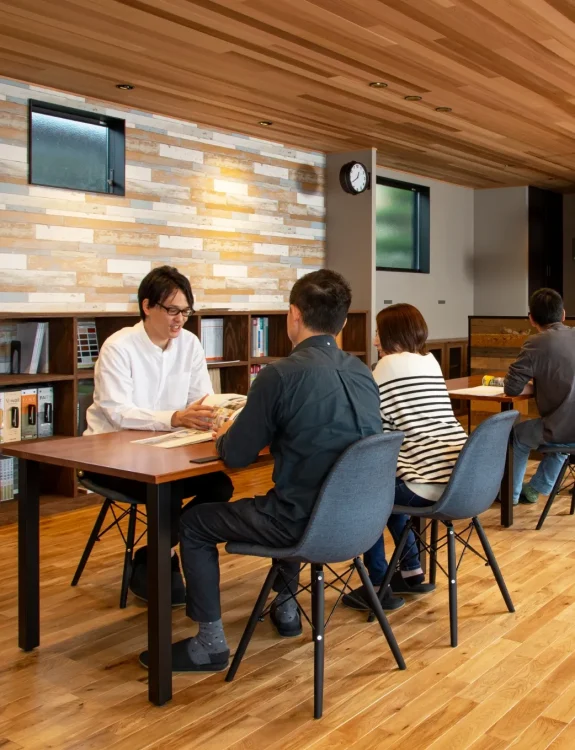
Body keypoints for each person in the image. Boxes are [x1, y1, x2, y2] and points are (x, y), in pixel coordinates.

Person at [138, 269, 382, 673]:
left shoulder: (280, 375)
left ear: (294, 315)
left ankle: (209, 644)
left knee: (196, 523)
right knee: (299, 491)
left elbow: (235, 456)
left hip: (301, 523)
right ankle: (285, 605)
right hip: (362, 521)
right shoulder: (362, 372)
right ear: (342, 322)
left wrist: (226, 432)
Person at [83, 266, 234, 605]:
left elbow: (201, 400)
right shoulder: (119, 347)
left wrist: (218, 415)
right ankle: (162, 560)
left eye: (185, 311)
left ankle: (154, 553)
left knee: (219, 486)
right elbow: (117, 412)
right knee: (166, 490)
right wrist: (175, 417)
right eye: (172, 310)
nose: (179, 320)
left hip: (168, 450)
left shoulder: (190, 344)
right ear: (147, 306)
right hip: (112, 455)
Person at [344, 303, 468, 612]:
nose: (375, 340)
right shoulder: (431, 362)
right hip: (459, 480)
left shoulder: (386, 368)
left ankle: (376, 583)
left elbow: (368, 424)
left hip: (425, 483)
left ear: (392, 335)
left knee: (367, 494)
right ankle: (411, 570)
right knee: (389, 486)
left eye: (378, 333)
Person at [504, 288, 575, 505]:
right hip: (568, 428)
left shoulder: (536, 343)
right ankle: (537, 488)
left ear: (531, 319)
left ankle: (510, 495)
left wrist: (538, 383)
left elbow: (512, 388)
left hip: (561, 429)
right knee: (563, 435)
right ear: (563, 314)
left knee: (517, 436)